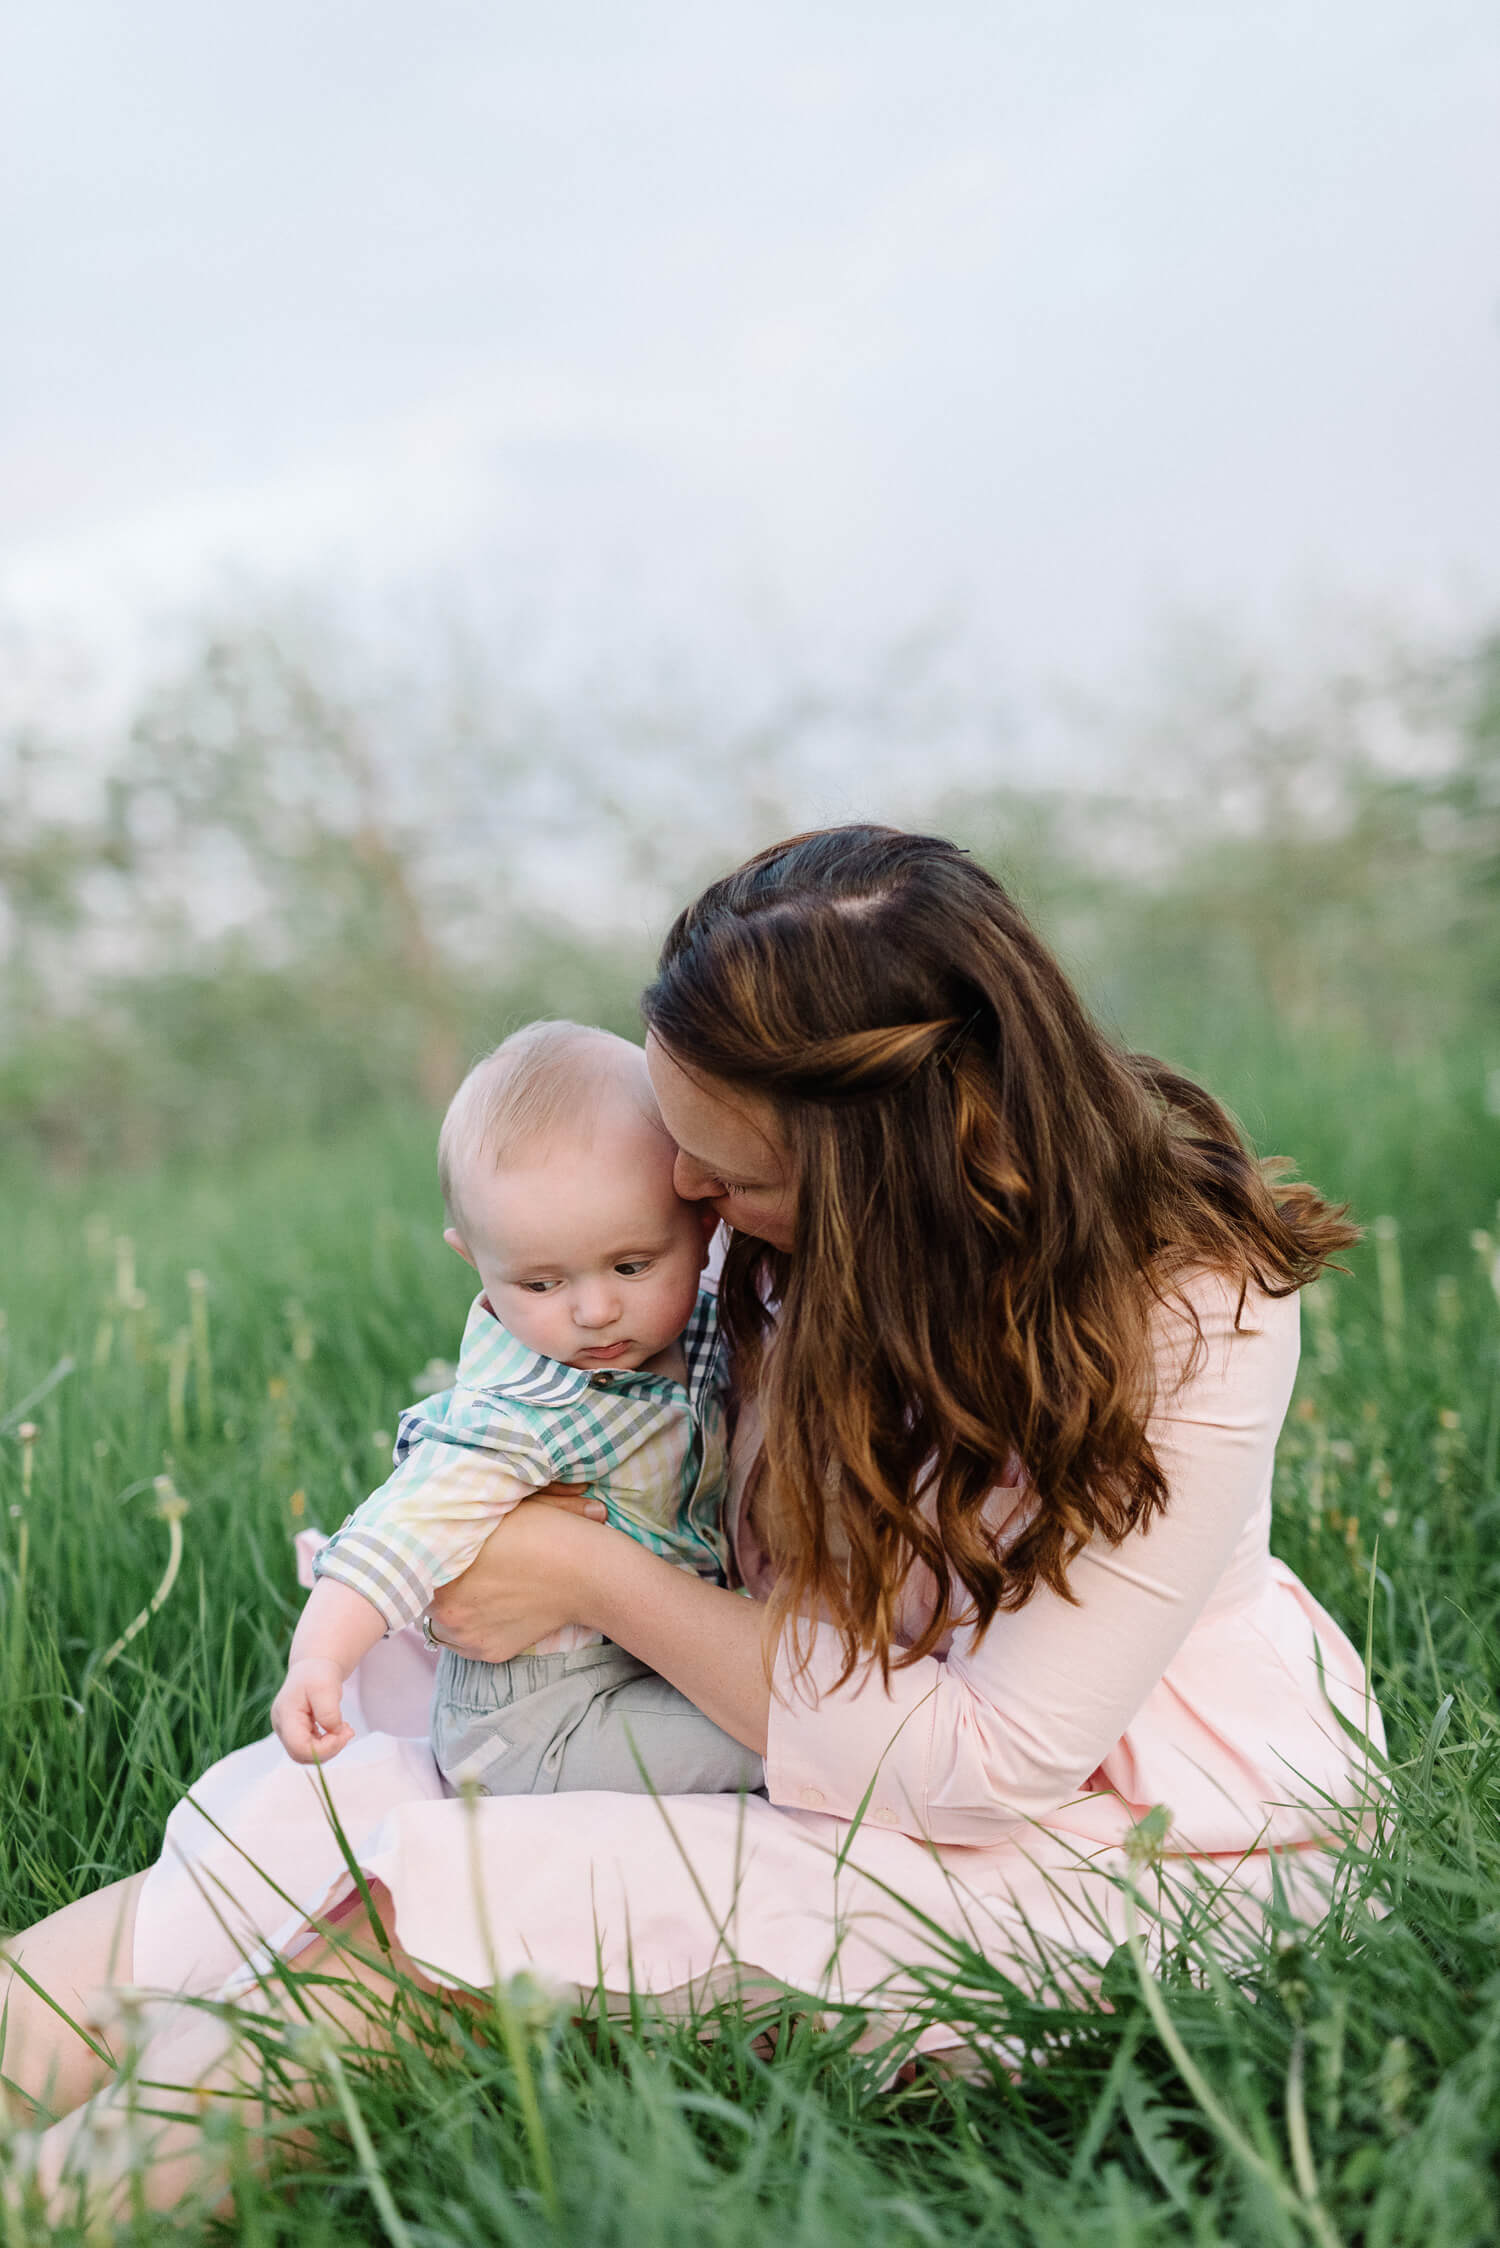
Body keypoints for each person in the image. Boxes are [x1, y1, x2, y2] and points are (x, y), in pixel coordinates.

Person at [0, 825, 1384, 2223]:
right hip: (751, 1715)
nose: (691, 1204)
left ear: (880, 1178)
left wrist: (583, 1572)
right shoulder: (759, 1247)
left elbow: (992, 1760)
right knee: (305, 1830)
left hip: (1084, 1829)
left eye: (726, 1175)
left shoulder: (1189, 1311)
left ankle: (58, 2205)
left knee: (439, 1917)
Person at [273, 1018, 761, 1800]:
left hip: (642, 1662)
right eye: (541, 1284)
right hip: (543, 1726)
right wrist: (319, 1661)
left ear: (704, 1227)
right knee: (792, 1757)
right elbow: (398, 1533)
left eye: (632, 1264)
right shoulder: (518, 1412)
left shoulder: (700, 1330)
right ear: (475, 1260)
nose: (595, 1310)